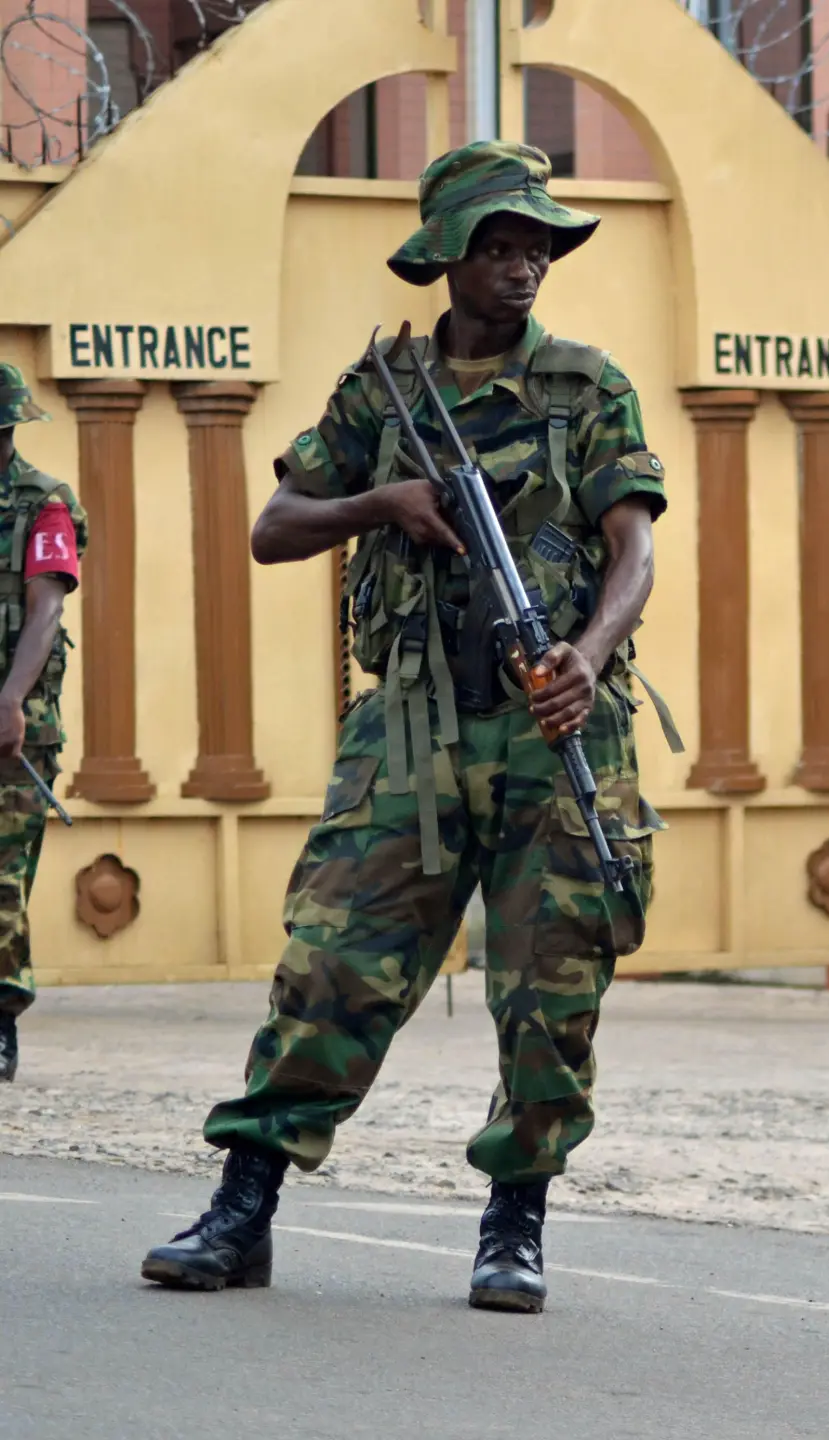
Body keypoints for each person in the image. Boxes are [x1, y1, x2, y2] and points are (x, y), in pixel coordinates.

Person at [141, 141, 671, 1313]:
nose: (525, 261)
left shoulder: (588, 387)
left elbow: (634, 548)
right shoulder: (379, 392)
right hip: (412, 730)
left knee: (552, 988)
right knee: (331, 965)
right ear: (446, 255)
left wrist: (586, 658)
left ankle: (514, 1222)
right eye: (498, 242)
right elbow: (275, 527)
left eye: (538, 242)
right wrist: (378, 503)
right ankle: (244, 1207)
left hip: (553, 724)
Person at [0, 362, 82, 1084]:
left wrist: (10, 699)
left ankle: (0, 1017)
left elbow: (45, 607)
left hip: (17, 728)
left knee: (1, 880)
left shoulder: (44, 502)